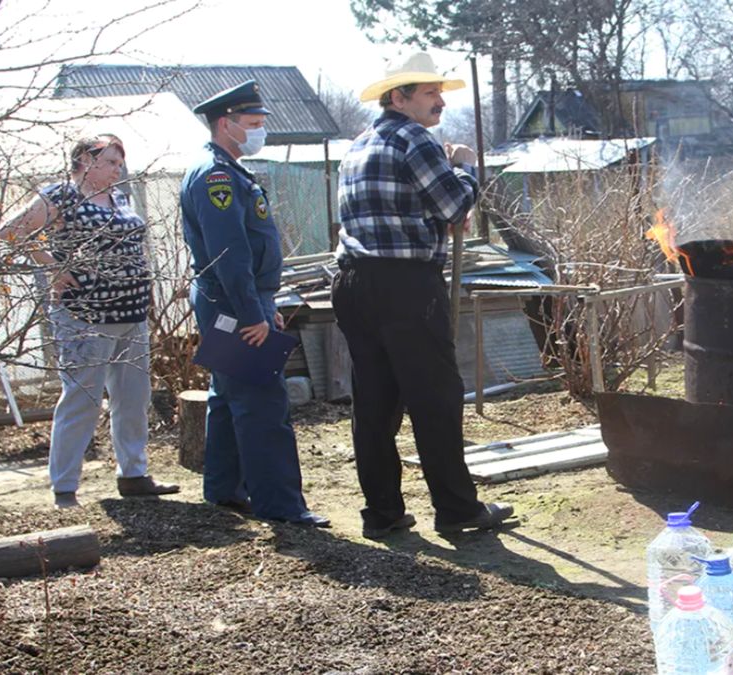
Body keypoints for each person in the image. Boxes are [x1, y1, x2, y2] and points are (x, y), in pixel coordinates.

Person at [333, 52, 514, 539]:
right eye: (430, 93)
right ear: (400, 97)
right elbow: (454, 203)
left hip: (354, 283)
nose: (440, 102)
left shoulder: (357, 146)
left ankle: (383, 514)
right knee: (435, 397)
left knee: (375, 402)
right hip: (405, 285)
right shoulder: (416, 139)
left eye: (440, 92)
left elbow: (415, 208)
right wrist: (466, 168)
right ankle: (457, 511)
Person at [0, 134, 179, 509]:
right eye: (111, 161)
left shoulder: (120, 197)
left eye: (119, 162)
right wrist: (55, 266)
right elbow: (10, 232)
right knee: (82, 399)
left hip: (131, 314)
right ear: (84, 159)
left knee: (132, 399)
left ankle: (134, 474)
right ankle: (64, 486)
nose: (118, 168)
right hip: (85, 316)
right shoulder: (62, 195)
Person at [179, 81, 328, 527]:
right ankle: (281, 506)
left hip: (236, 300)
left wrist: (265, 304)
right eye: (254, 124)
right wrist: (251, 314)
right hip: (232, 303)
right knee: (263, 406)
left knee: (227, 396)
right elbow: (231, 253)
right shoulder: (217, 176)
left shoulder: (224, 168)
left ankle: (224, 489)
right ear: (226, 124)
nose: (261, 131)